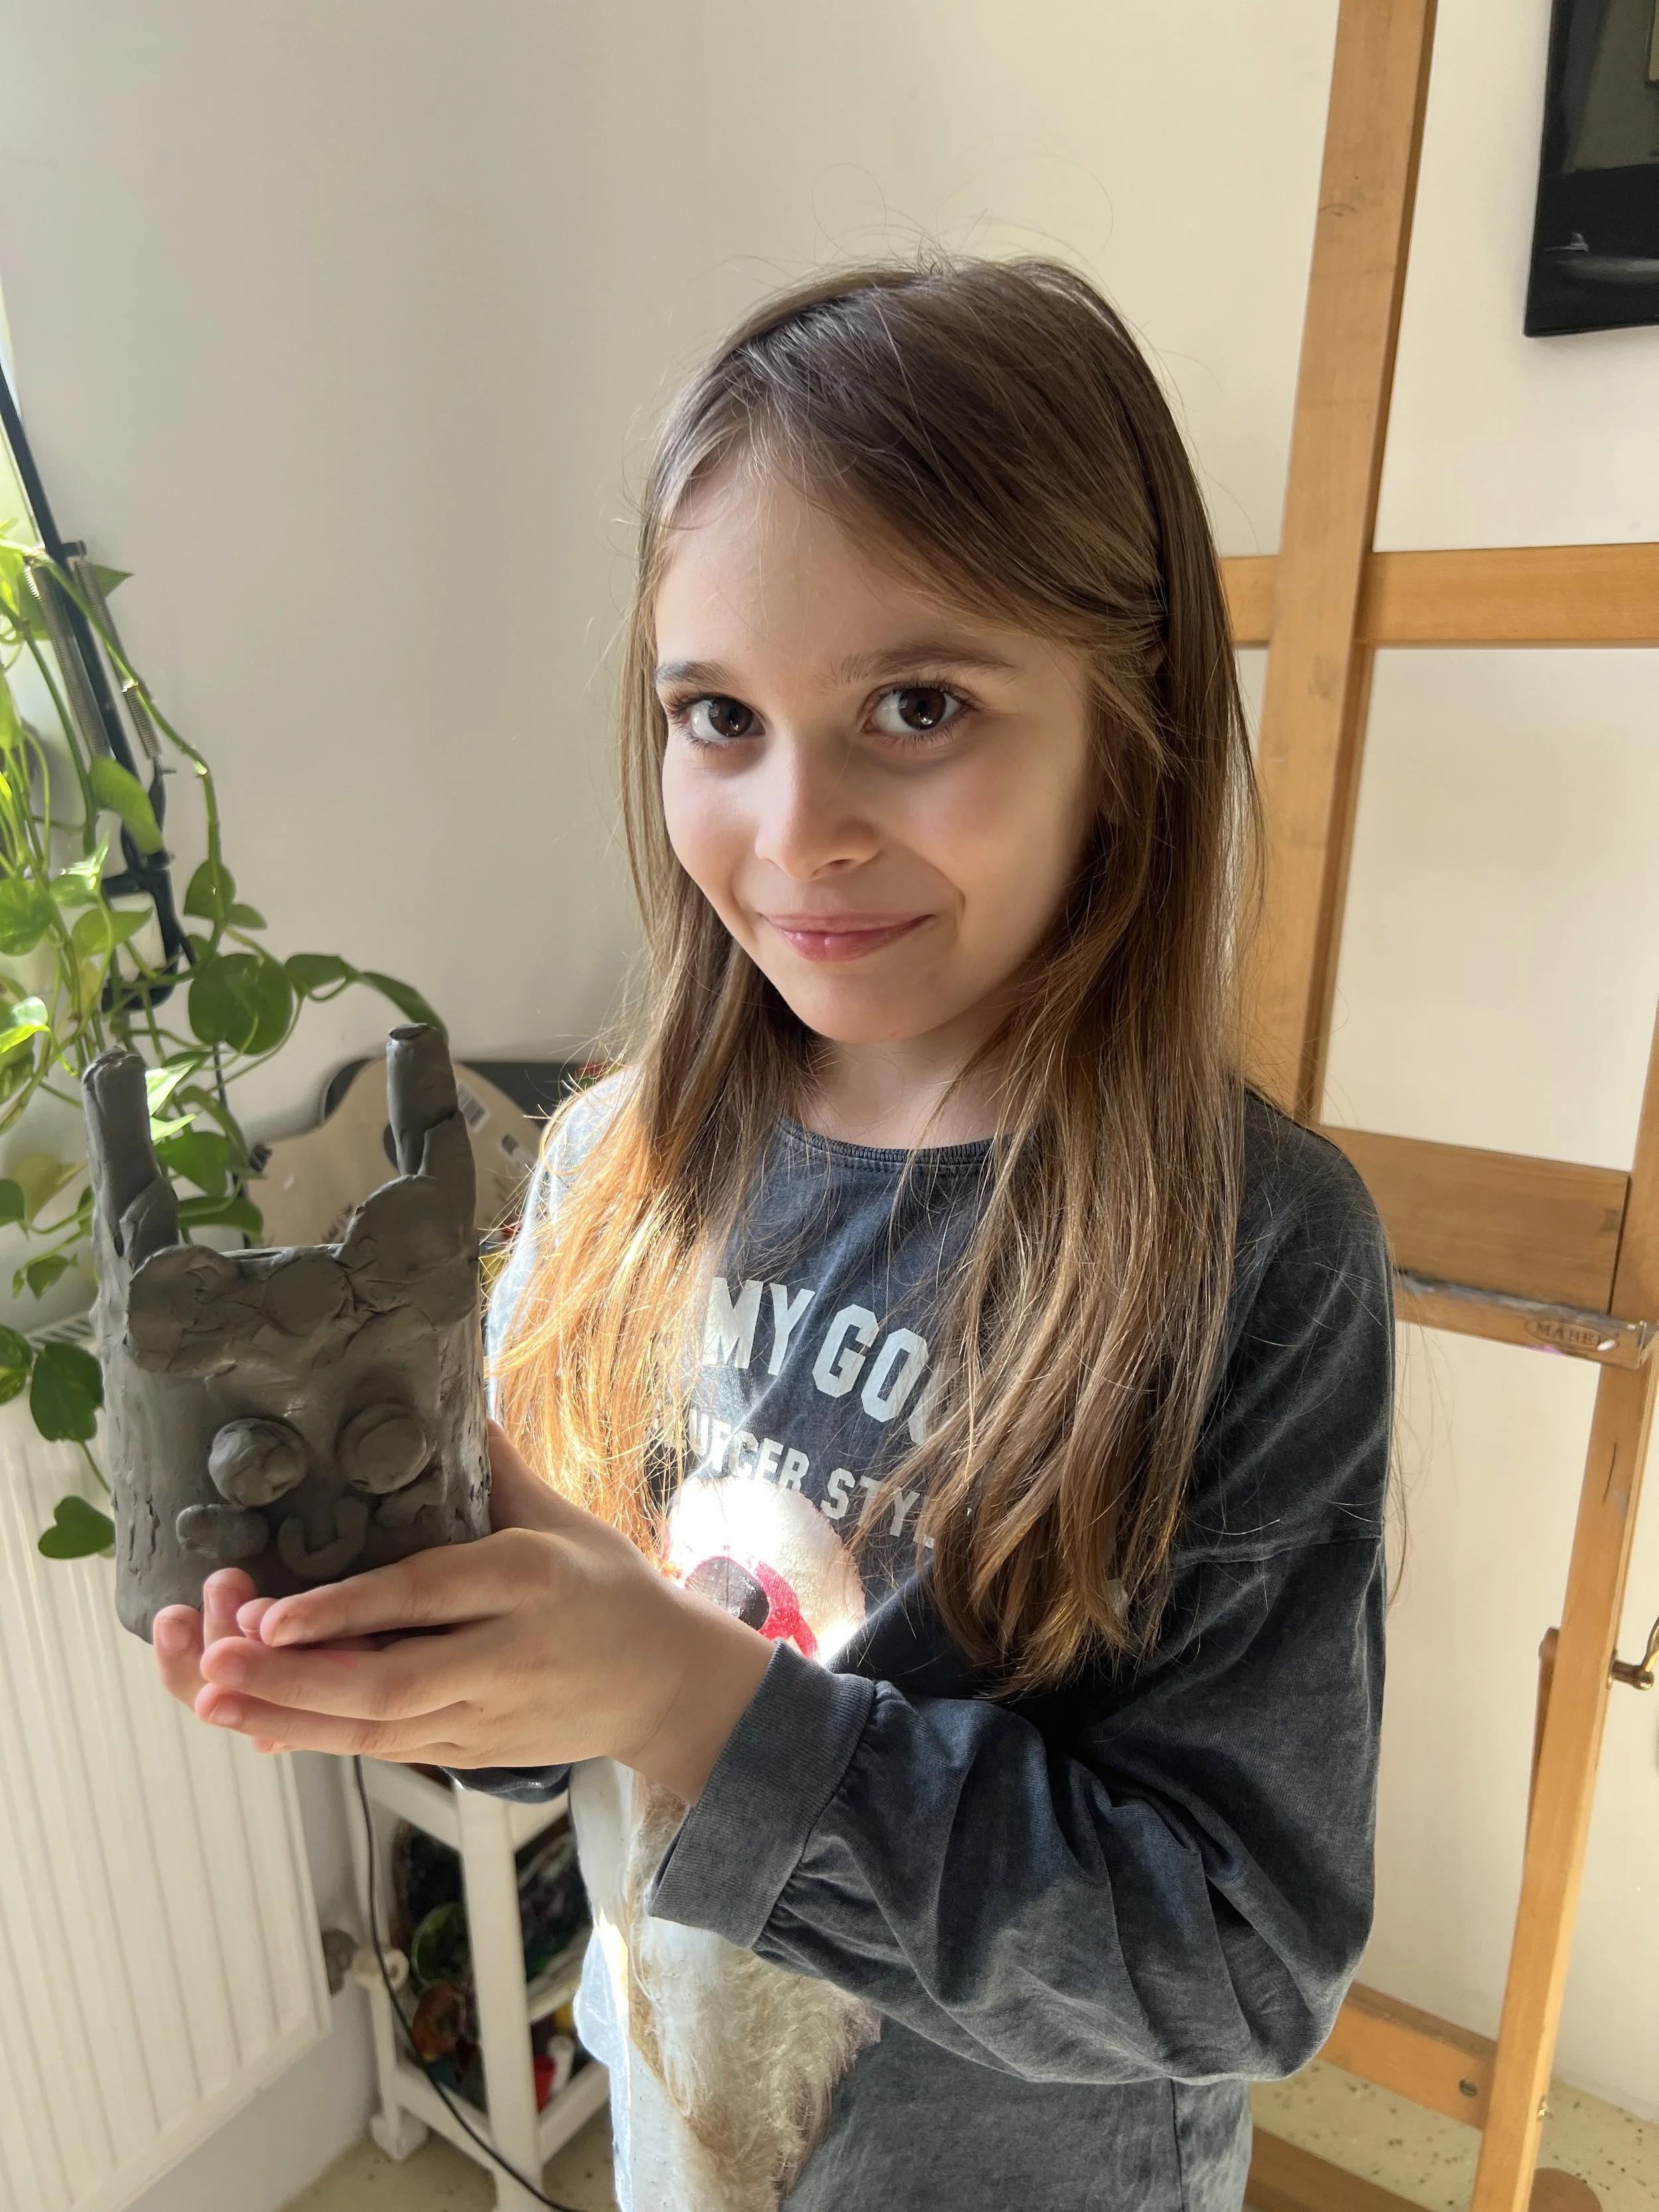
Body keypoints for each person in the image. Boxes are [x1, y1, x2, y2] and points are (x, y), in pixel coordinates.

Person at [153, 258, 1394, 2212]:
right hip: (689, 2149)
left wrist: (680, 1698)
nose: (791, 824)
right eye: (715, 713)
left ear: (1129, 722)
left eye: (914, 705)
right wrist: (435, 1649)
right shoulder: (612, 1175)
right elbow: (580, 1725)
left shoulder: (1251, 1259)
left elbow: (1237, 1954)